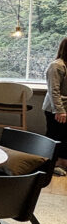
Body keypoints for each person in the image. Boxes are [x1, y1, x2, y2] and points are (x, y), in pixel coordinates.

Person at [43, 37, 67, 176]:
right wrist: (59, 110)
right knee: (55, 136)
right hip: (55, 109)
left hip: (64, 108)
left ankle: (62, 162)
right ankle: (50, 164)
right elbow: (54, 90)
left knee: (65, 136)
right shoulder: (56, 66)